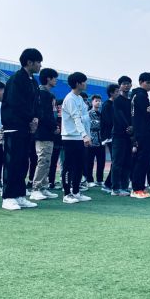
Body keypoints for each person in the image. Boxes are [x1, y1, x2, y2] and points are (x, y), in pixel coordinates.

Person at [0, 48, 42, 211]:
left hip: (26, 127)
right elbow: (16, 103)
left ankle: (19, 195)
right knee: (12, 162)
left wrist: (36, 118)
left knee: (23, 162)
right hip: (14, 126)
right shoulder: (16, 79)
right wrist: (31, 118)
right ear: (29, 62)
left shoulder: (33, 81)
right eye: (38, 62)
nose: (40, 66)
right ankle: (8, 197)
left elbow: (36, 103)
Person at [61, 72, 92, 204]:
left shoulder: (79, 99)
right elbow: (76, 118)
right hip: (70, 137)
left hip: (80, 137)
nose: (86, 84)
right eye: (84, 81)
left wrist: (87, 135)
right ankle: (67, 194)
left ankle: (76, 191)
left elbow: (85, 119)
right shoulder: (70, 99)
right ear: (78, 83)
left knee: (79, 165)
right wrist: (84, 135)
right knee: (69, 166)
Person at [29, 68, 60, 201]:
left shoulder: (49, 94)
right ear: (48, 79)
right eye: (54, 78)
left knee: (47, 160)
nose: (56, 80)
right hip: (42, 133)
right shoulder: (41, 93)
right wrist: (54, 127)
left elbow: (51, 114)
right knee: (43, 160)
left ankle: (43, 187)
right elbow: (44, 114)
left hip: (48, 133)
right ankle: (36, 189)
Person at [129, 72, 150, 198]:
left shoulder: (138, 95)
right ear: (141, 82)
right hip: (143, 132)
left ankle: (139, 187)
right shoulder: (140, 96)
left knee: (143, 161)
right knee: (142, 161)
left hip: (142, 131)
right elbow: (149, 114)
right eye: (148, 82)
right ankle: (137, 189)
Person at [110, 76, 133, 197]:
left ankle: (124, 187)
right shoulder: (117, 100)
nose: (127, 85)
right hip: (119, 135)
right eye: (124, 83)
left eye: (128, 83)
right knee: (117, 162)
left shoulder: (131, 101)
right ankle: (115, 189)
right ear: (120, 86)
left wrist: (133, 128)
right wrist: (128, 127)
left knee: (127, 162)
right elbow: (119, 115)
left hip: (129, 136)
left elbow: (134, 117)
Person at [100, 84, 118, 193]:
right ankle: (107, 184)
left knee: (116, 161)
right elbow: (108, 121)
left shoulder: (115, 104)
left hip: (115, 136)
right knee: (115, 161)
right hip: (110, 137)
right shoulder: (107, 105)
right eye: (117, 92)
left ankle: (110, 183)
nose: (118, 93)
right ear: (111, 93)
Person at [85, 94, 106, 187]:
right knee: (90, 161)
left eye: (99, 101)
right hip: (91, 140)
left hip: (101, 140)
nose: (98, 102)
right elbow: (89, 125)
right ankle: (89, 180)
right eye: (96, 101)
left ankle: (100, 179)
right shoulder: (88, 113)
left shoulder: (102, 114)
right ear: (92, 102)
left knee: (101, 162)